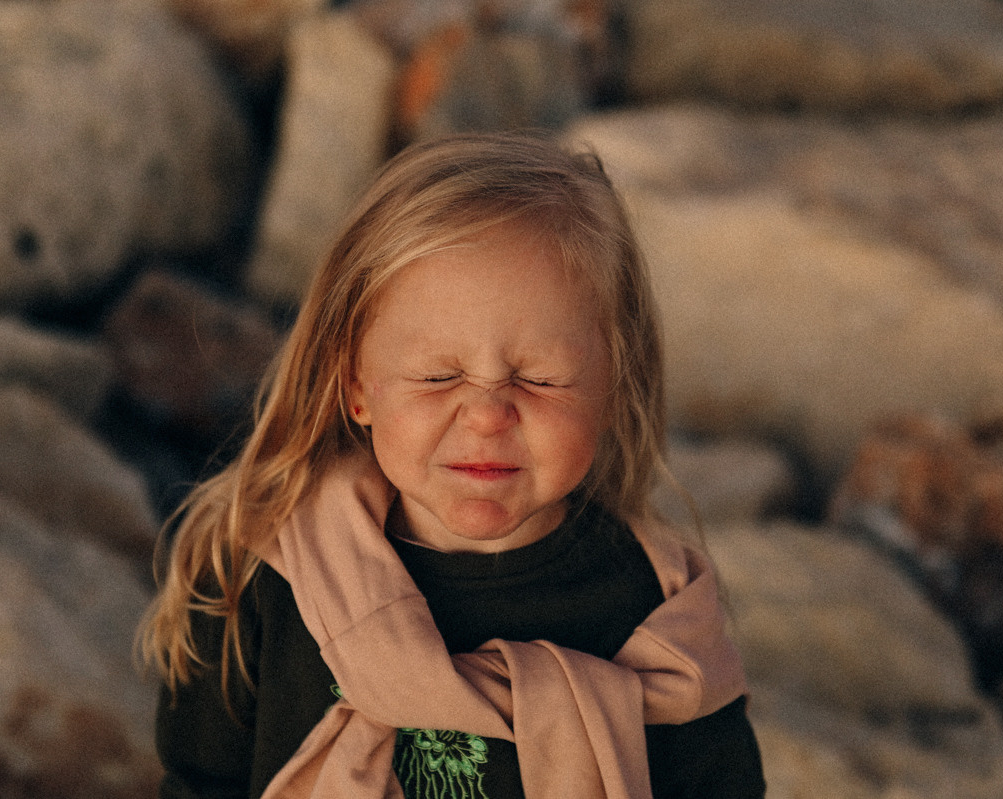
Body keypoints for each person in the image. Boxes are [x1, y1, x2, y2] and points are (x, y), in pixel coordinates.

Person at [139, 132, 766, 799]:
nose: (487, 414)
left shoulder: (658, 617)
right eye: (439, 376)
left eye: (542, 378)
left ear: (613, 386)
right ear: (354, 383)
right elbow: (197, 781)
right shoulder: (263, 569)